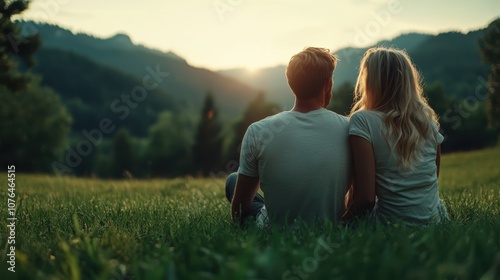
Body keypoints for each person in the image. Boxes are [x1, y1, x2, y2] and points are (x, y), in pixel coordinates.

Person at [225, 47, 352, 227]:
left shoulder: (258, 130)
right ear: (328, 85)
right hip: (332, 225)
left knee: (233, 180)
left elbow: (239, 211)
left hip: (274, 228)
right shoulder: (350, 128)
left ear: (291, 84)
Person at [343, 47, 449, 225]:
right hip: (435, 221)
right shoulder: (428, 121)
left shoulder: (363, 121)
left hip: (390, 223)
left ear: (371, 82)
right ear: (408, 80)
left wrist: (341, 223)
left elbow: (367, 199)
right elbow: (431, 180)